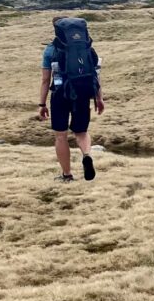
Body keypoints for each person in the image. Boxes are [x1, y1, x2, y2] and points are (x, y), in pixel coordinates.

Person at [37, 17, 105, 181]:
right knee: (81, 132)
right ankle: (87, 155)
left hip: (60, 94)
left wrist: (42, 104)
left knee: (61, 136)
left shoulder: (50, 50)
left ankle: (67, 175)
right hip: (83, 91)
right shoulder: (87, 48)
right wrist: (99, 98)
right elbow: (95, 75)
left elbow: (46, 80)